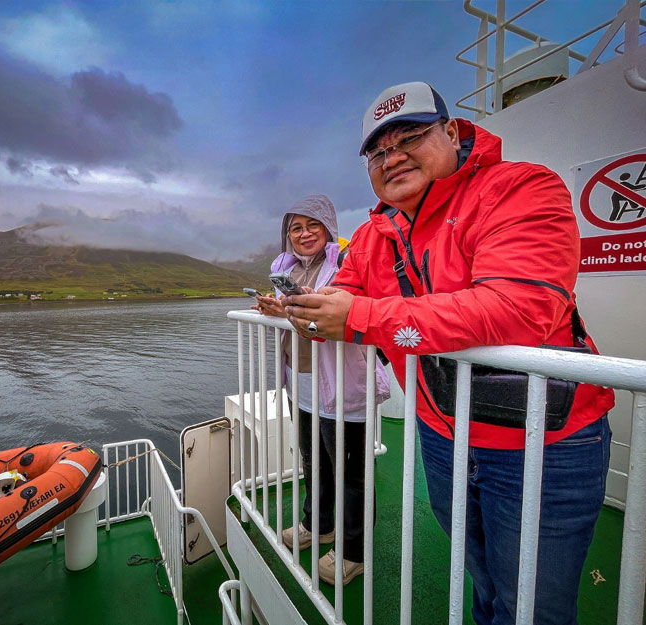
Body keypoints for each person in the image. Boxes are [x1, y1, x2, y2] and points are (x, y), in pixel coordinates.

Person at [282, 83, 615, 624]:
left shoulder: (520, 188)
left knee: (534, 606)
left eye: (410, 137)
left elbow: (521, 309)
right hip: (443, 435)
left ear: (452, 133)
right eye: (378, 152)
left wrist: (359, 318)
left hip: (543, 442)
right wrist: (311, 315)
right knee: (482, 577)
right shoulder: (373, 234)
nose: (393, 159)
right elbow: (339, 303)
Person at [253, 194, 391, 586]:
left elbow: (354, 310)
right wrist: (277, 311)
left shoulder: (346, 262)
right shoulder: (287, 268)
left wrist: (295, 314)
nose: (304, 233)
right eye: (296, 227)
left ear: (328, 226)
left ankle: (353, 553)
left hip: (343, 384)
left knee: (351, 474)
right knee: (314, 462)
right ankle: (318, 524)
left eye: (312, 224)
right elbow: (299, 318)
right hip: (301, 379)